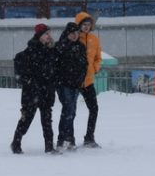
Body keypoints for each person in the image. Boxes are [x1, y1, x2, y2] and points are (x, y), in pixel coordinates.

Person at [11, 24, 60, 155]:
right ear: (39, 36)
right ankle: (16, 142)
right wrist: (30, 82)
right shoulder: (27, 53)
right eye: (46, 34)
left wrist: (52, 82)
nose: (49, 36)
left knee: (47, 120)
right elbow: (20, 74)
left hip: (46, 92)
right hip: (32, 93)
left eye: (49, 34)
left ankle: (49, 146)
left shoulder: (51, 52)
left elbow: (54, 72)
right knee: (26, 119)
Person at [54, 21, 87, 150]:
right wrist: (59, 80)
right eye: (72, 33)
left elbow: (84, 65)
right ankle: (62, 139)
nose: (75, 35)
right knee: (68, 109)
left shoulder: (80, 47)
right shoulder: (59, 46)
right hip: (63, 84)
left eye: (77, 33)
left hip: (76, 84)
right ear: (67, 33)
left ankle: (69, 138)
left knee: (71, 111)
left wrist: (80, 79)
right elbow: (55, 66)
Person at [74, 11, 103, 148]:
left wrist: (96, 68)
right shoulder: (73, 37)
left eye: (89, 24)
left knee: (94, 109)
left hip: (88, 81)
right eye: (84, 24)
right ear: (78, 25)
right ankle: (68, 138)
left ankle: (89, 137)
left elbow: (98, 58)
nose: (86, 27)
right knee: (70, 111)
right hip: (73, 81)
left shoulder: (94, 39)